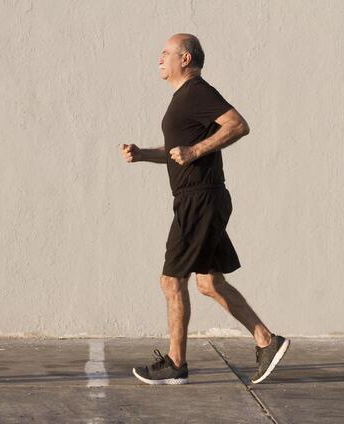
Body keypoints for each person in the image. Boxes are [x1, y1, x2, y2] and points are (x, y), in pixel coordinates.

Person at [121, 34, 289, 385]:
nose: (159, 58)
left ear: (185, 59)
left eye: (166, 53)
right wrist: (144, 154)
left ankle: (176, 363)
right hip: (201, 198)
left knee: (171, 280)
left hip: (200, 199)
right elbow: (176, 151)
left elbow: (238, 125)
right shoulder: (184, 99)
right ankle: (266, 341)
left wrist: (196, 152)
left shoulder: (197, 91)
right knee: (210, 282)